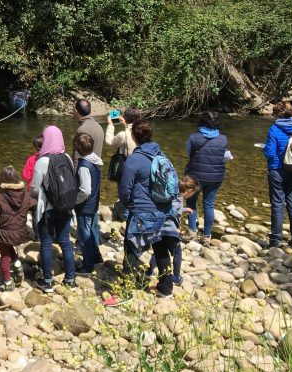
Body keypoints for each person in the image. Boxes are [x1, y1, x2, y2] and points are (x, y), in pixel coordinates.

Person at [118, 120, 182, 298]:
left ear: (133, 136)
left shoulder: (133, 160)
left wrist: (128, 205)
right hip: (164, 210)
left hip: (142, 212)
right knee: (160, 246)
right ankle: (166, 288)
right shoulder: (161, 154)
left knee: (131, 248)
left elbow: (124, 190)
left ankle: (125, 291)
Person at [28, 125, 77, 293]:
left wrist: (40, 194)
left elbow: (34, 189)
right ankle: (70, 279)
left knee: (46, 242)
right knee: (65, 242)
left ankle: (48, 281)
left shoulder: (42, 161)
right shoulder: (68, 158)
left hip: (47, 209)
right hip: (66, 206)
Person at [263, 101, 292, 251]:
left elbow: (269, 153)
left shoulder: (274, 129)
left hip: (277, 170)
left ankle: (276, 239)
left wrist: (266, 151)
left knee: (277, 204)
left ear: (277, 114)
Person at [185, 111, 232, 240]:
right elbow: (223, 156)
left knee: (191, 202)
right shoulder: (223, 139)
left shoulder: (193, 137)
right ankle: (207, 235)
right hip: (215, 177)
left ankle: (192, 231)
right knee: (209, 204)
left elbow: (189, 152)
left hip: (194, 176)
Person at [147, 175, 200, 286]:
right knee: (177, 252)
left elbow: (171, 208)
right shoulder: (180, 198)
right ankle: (176, 277)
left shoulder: (171, 194)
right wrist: (176, 227)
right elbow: (174, 212)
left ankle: (150, 271)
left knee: (159, 251)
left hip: (159, 227)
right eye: (193, 193)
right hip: (170, 230)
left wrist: (184, 210)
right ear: (189, 191)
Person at [0, 165, 31, 288]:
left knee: (4, 257)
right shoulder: (25, 195)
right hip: (20, 232)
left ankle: (7, 282)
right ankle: (16, 264)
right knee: (8, 246)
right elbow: (34, 203)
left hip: (4, 231)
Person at [72, 133, 104, 276]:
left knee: (84, 235)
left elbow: (85, 190)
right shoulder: (95, 161)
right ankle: (96, 257)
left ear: (78, 148)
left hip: (85, 206)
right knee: (91, 231)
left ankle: (87, 266)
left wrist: (75, 201)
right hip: (93, 203)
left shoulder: (84, 166)